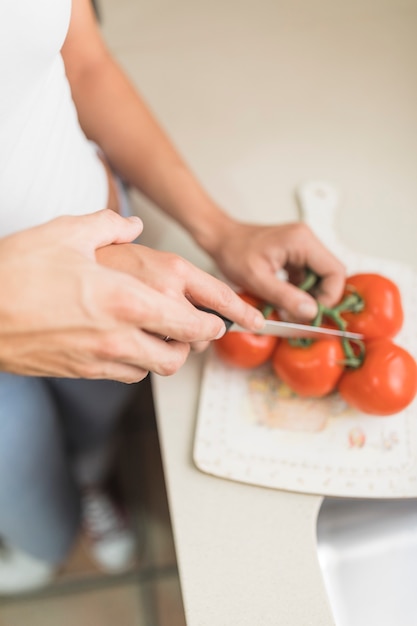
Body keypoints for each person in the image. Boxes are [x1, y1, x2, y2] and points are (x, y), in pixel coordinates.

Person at [0, 0, 345, 594]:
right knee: (24, 494)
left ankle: (90, 483)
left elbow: (83, 62)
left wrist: (219, 229)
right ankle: (39, 549)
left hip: (112, 268)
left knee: (94, 430)